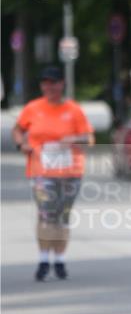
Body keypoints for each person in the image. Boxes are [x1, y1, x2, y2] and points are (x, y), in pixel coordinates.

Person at [12, 65, 94, 281]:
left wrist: (74, 139)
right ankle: (43, 259)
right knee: (46, 214)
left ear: (61, 84)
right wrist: (22, 145)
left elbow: (89, 138)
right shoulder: (33, 108)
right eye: (45, 83)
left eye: (53, 82)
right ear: (42, 86)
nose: (49, 87)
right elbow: (18, 129)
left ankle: (59, 260)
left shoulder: (73, 110)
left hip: (70, 170)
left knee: (61, 216)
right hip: (41, 170)